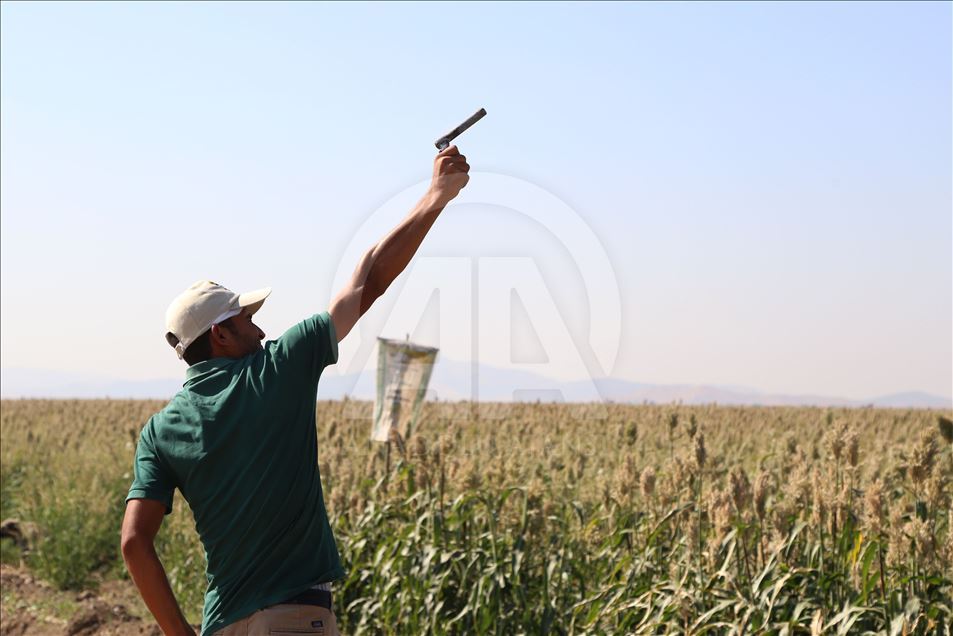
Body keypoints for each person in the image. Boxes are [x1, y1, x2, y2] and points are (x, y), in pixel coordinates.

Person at [120, 145, 470, 635]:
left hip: (221, 623)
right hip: (294, 616)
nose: (260, 331)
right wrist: (434, 197)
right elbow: (366, 282)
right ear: (219, 335)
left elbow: (135, 543)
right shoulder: (278, 367)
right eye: (246, 320)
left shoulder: (160, 431)